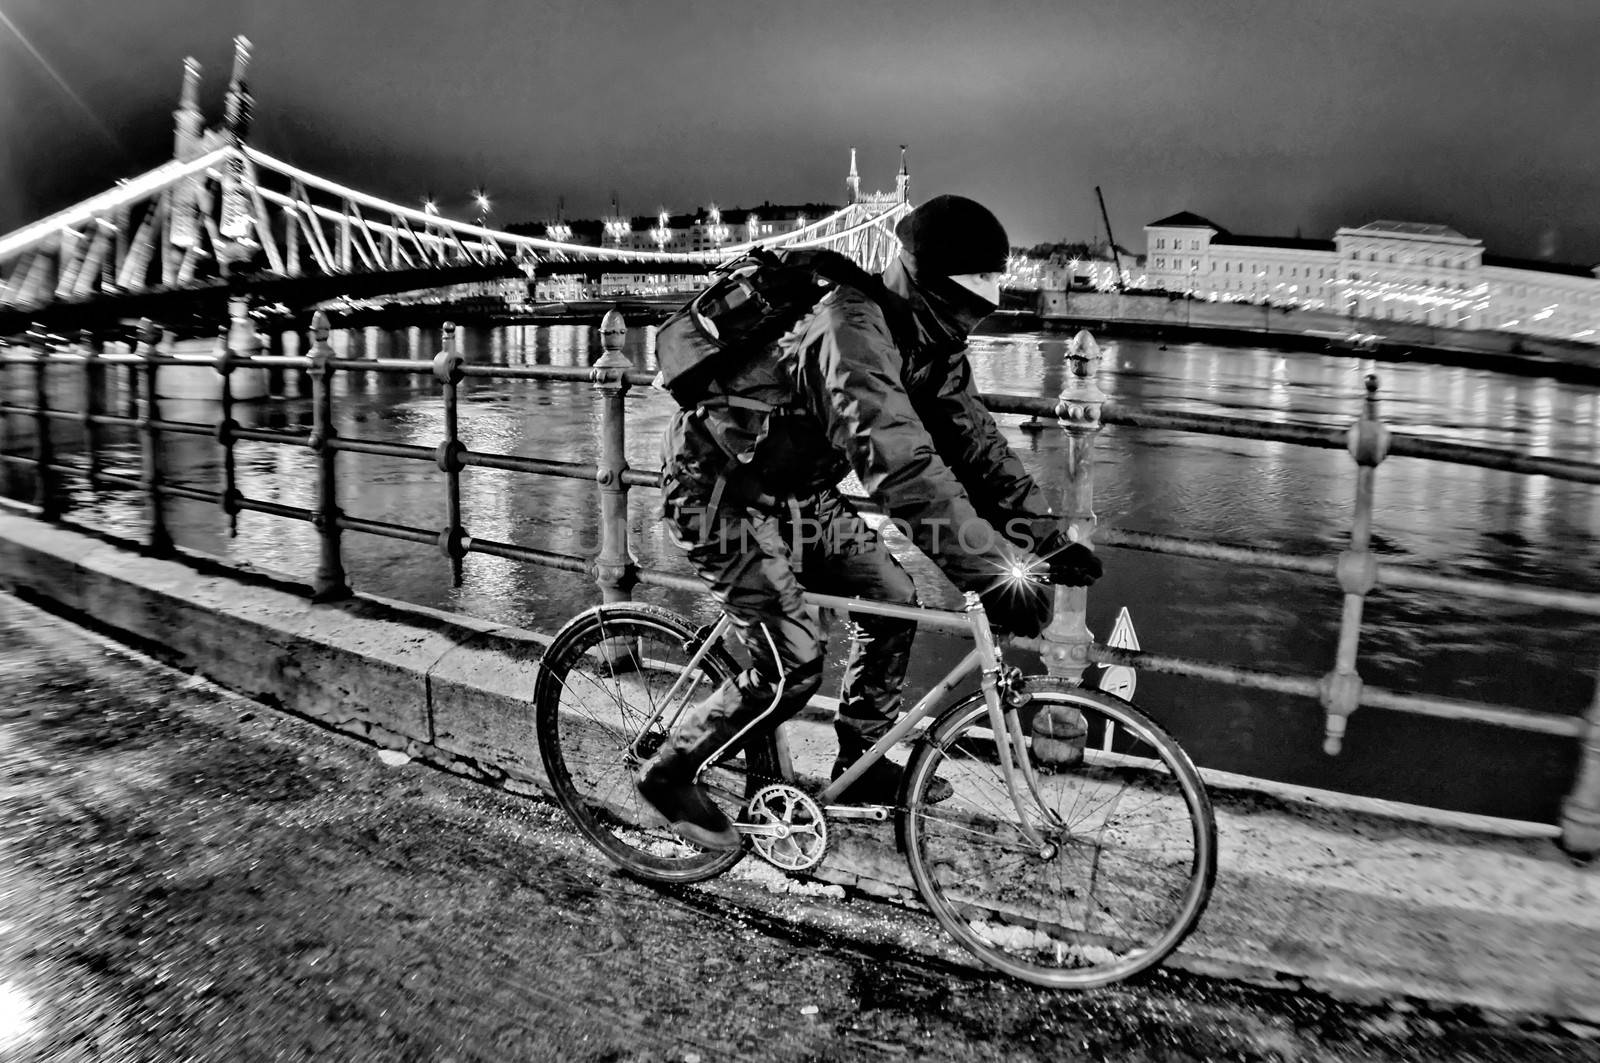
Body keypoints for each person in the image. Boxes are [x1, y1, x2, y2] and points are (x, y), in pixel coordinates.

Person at [638, 194, 1103, 851]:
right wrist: (992, 575)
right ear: (929, 284)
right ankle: (670, 770)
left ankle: (859, 762)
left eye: (986, 298)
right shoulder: (848, 330)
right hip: (719, 497)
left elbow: (974, 444)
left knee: (891, 599)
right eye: (970, 297)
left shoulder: (929, 342)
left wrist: (1044, 538)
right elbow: (905, 473)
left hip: (796, 494)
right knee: (792, 663)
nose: (979, 312)